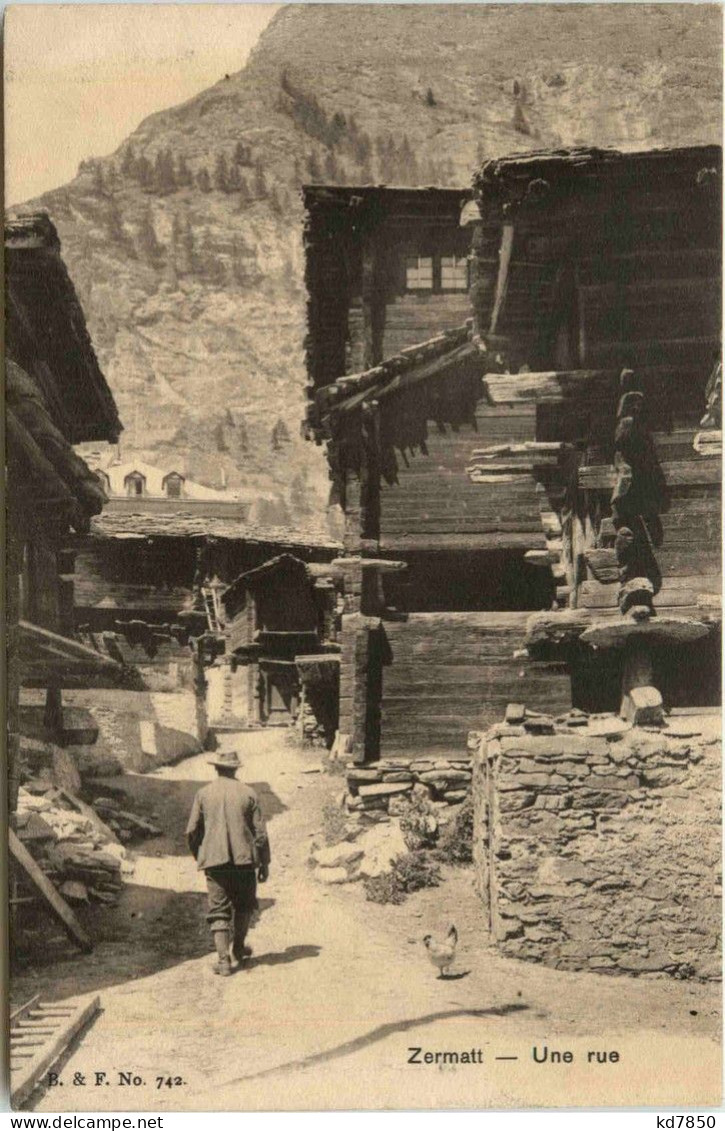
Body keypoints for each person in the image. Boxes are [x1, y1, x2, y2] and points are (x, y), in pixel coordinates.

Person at [186, 749, 270, 976]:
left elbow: (192, 831)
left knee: (218, 910)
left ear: (216, 768)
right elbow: (260, 833)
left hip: (215, 862)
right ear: (235, 768)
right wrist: (264, 863)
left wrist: (201, 854)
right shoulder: (249, 793)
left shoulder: (203, 794)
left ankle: (223, 962)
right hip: (244, 862)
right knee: (244, 905)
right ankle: (239, 949)